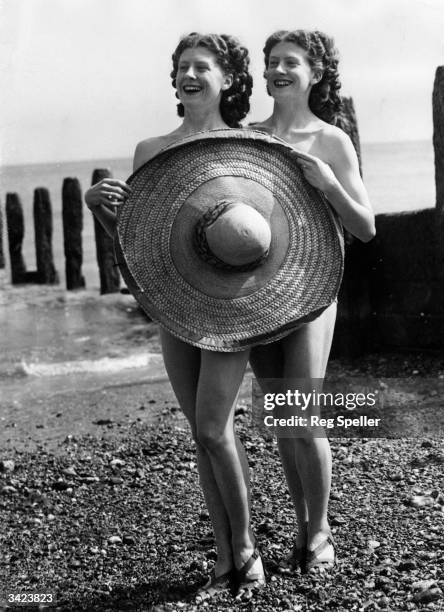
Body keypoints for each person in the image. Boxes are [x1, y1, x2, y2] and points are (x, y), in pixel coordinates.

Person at [84, 33, 264, 600]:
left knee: (215, 427)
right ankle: (221, 554)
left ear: (228, 79)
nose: (189, 76)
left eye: (201, 67)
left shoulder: (252, 146)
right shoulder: (150, 150)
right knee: (201, 435)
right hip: (174, 302)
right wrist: (99, 210)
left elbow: (265, 239)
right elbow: (140, 248)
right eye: (182, 67)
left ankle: (246, 549)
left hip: (231, 306)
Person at [249, 30, 375, 573]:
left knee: (306, 412)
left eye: (290, 63)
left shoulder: (331, 141)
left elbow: (365, 228)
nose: (278, 71)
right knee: (282, 416)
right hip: (257, 294)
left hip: (315, 289)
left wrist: (326, 182)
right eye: (271, 62)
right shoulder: (248, 136)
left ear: (316, 73)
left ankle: (319, 531)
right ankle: (302, 522)